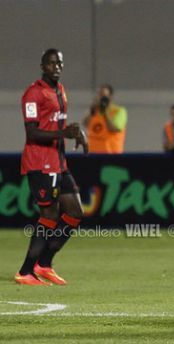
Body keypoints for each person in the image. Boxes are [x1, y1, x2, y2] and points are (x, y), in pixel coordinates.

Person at [15, 48, 88, 286]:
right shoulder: (33, 94)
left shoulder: (60, 90)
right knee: (49, 214)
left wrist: (76, 133)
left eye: (60, 63)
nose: (56, 67)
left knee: (75, 212)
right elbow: (32, 131)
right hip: (40, 162)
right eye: (51, 63)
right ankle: (26, 271)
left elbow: (59, 125)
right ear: (42, 65)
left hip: (58, 162)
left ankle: (44, 264)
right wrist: (63, 133)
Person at [84, 84, 127, 153]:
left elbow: (114, 128)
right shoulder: (94, 111)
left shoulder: (118, 111)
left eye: (103, 95)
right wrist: (92, 110)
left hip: (111, 154)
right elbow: (85, 123)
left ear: (110, 97)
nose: (100, 98)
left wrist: (105, 112)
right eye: (99, 95)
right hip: (93, 154)